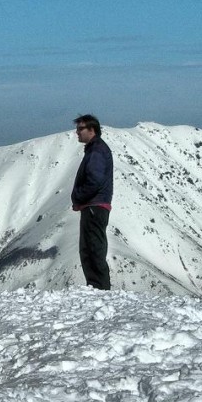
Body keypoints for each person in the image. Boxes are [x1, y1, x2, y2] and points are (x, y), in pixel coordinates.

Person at [71, 114, 113, 290]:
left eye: (80, 129)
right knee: (91, 248)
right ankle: (97, 287)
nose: (77, 132)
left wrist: (79, 196)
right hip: (95, 206)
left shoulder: (96, 151)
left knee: (92, 249)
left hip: (94, 207)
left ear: (92, 130)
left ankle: (99, 288)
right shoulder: (95, 149)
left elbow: (94, 180)